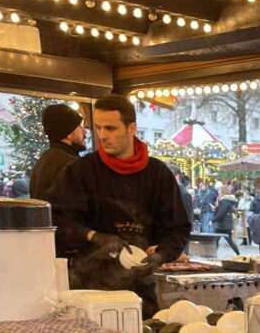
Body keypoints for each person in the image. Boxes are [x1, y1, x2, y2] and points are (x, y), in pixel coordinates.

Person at [46, 93, 191, 317]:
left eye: (111, 128)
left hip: (140, 290)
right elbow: (55, 219)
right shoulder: (80, 171)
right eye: (98, 128)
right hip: (89, 288)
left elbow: (178, 228)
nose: (102, 135)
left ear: (131, 128)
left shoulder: (158, 174)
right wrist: (94, 236)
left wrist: (162, 254)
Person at [29, 103, 85, 199]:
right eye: (79, 126)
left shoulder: (44, 160)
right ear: (68, 133)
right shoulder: (69, 164)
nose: (84, 131)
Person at [211, 185, 240, 255]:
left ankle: (238, 254)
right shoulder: (225, 200)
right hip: (224, 224)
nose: (218, 191)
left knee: (219, 240)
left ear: (223, 191)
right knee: (219, 240)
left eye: (219, 189)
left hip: (223, 224)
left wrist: (213, 220)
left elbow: (221, 213)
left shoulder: (224, 201)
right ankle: (238, 254)